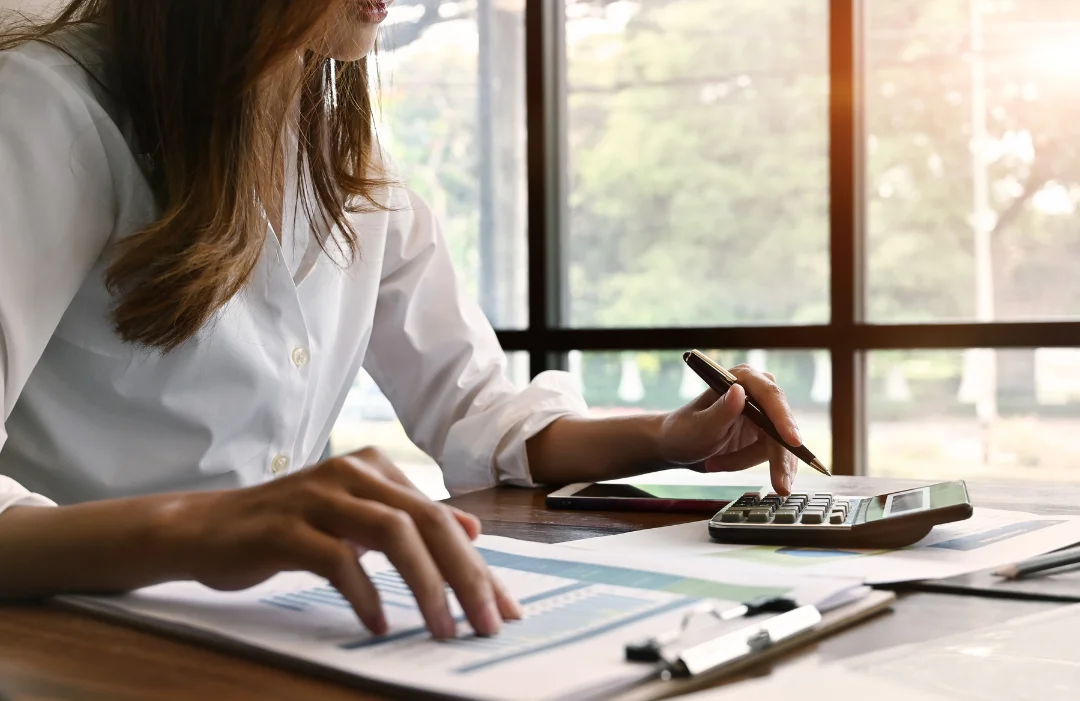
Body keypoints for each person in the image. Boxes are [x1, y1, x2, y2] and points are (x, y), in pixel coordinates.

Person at [0, 0, 804, 641]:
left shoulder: (344, 161)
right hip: (73, 645)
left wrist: (666, 435)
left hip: (280, 634)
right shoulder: (43, 112)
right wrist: (203, 527)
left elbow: (478, 411)